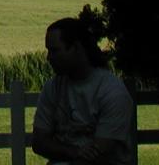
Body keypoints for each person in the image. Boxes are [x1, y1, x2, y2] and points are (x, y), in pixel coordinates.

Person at [31, 17, 134, 165]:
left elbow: (100, 154)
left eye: (55, 51)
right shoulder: (52, 88)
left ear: (77, 48)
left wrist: (61, 150)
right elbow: (39, 142)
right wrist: (75, 151)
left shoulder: (112, 92)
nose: (49, 58)